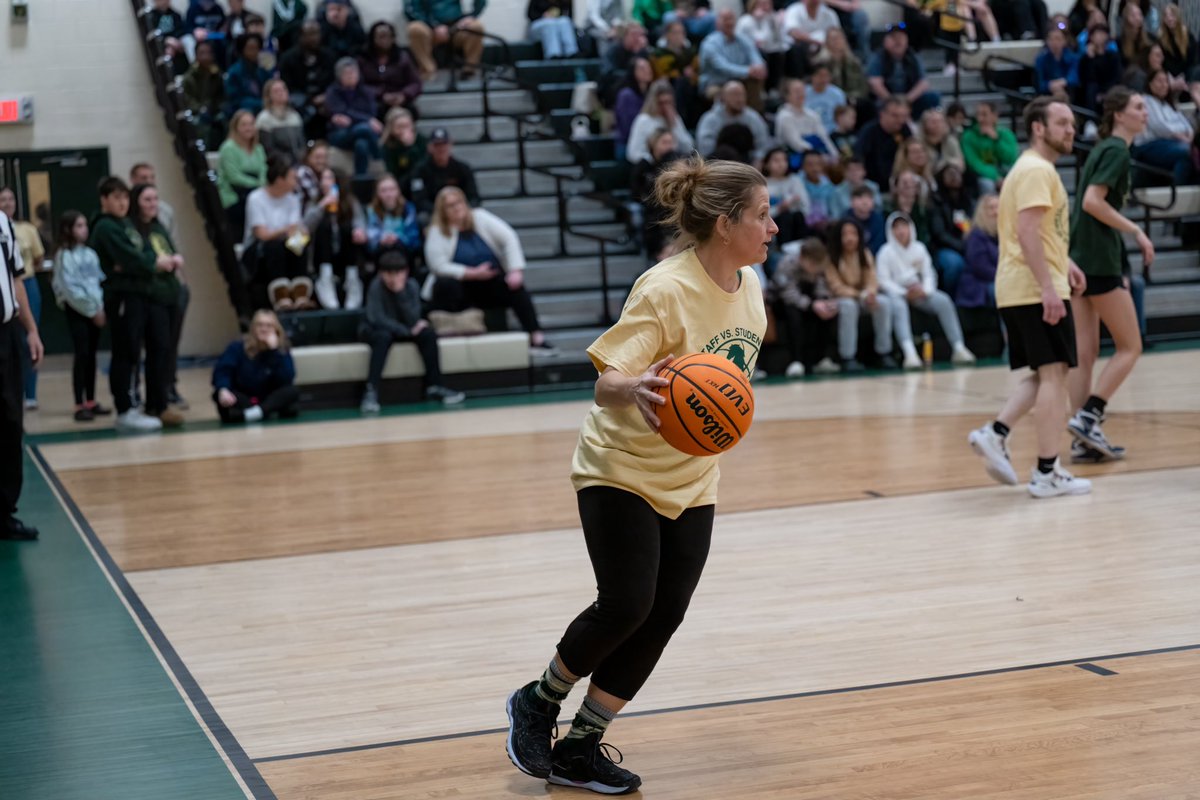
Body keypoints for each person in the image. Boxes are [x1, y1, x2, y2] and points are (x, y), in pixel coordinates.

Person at [504, 157, 772, 794]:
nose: (773, 226)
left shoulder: (752, 287)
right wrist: (641, 386)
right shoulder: (663, 287)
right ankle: (538, 701)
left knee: (664, 613)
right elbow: (605, 381)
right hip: (619, 468)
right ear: (725, 222)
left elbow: (732, 375)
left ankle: (580, 748)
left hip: (693, 477)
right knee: (627, 603)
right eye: (762, 214)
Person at [967, 98, 1092, 498]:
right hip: (1033, 287)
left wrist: (1064, 262)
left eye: (1072, 123)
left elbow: (1039, 231)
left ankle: (996, 432)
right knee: (1056, 374)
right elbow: (1026, 232)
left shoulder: (1028, 168)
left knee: (1044, 373)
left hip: (1020, 286)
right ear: (1038, 128)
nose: (1070, 129)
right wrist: (1048, 287)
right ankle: (1046, 471)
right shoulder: (1038, 170)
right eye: (1061, 122)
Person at [1066, 87, 1155, 464]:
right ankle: (1090, 414)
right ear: (1119, 114)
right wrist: (1135, 231)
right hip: (1099, 260)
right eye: (1138, 107)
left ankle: (1081, 437)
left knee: (1084, 354)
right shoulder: (1117, 150)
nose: (1145, 113)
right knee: (1130, 346)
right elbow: (1091, 202)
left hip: (1078, 256)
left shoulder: (1103, 147)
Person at [88, 178, 175, 433]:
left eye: (125, 197)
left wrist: (142, 262)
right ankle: (125, 408)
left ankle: (141, 404)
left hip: (138, 294)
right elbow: (132, 258)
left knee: (138, 350)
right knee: (126, 351)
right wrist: (146, 263)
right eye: (116, 198)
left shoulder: (125, 224)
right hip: (121, 296)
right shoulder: (105, 227)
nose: (122, 203)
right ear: (104, 200)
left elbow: (144, 252)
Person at [424, 187, 554, 351]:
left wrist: (515, 270)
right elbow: (438, 266)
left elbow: (509, 237)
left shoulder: (480, 217)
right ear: (442, 211)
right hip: (462, 287)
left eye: (458, 202)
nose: (456, 207)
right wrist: (472, 273)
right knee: (445, 284)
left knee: (516, 288)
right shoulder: (438, 231)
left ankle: (536, 336)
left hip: (489, 282)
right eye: (450, 205)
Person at [359, 251, 466, 414]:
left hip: (404, 329)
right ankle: (371, 391)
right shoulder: (375, 287)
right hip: (378, 330)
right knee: (383, 337)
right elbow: (377, 319)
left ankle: (434, 386)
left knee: (428, 334)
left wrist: (400, 293)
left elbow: (414, 317)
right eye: (388, 273)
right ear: (381, 273)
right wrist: (407, 331)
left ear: (406, 272)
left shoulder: (412, 286)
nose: (393, 278)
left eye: (398, 273)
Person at [876, 212, 976, 367]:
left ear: (911, 228)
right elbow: (883, 281)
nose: (901, 231)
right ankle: (910, 353)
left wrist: (926, 290)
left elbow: (929, 273)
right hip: (897, 295)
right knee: (899, 306)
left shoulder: (920, 248)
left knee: (943, 301)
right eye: (896, 227)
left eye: (904, 226)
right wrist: (904, 292)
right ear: (890, 230)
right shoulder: (885, 252)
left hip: (920, 292)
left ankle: (958, 347)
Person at [0, 188, 43, 539]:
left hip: (6, 333)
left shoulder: (2, 223)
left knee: (10, 421)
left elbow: (17, 280)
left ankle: (3, 512)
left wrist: (31, 330)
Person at [129, 183, 186, 428]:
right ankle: (156, 403)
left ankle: (161, 399)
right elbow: (144, 259)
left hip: (171, 293)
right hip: (152, 297)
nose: (153, 204)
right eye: (147, 200)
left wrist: (175, 259)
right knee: (157, 349)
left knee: (166, 350)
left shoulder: (158, 226)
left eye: (155, 199)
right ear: (137, 202)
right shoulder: (133, 229)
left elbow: (170, 250)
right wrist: (158, 263)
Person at [51, 211, 110, 422]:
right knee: (82, 354)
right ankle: (79, 403)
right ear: (68, 229)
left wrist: (99, 308)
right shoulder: (64, 256)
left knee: (92, 355)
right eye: (79, 225)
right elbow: (70, 289)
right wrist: (91, 310)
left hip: (95, 310)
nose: (84, 229)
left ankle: (91, 400)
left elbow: (97, 283)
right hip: (77, 310)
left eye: (85, 225)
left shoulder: (90, 254)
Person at [244, 155, 313, 311]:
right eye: (293, 178)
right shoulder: (256, 198)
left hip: (285, 244)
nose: (296, 182)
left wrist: (300, 232)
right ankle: (280, 295)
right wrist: (286, 230)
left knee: (300, 242)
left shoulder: (292, 199)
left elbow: (295, 228)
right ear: (280, 180)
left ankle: (300, 293)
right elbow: (262, 234)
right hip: (259, 249)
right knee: (274, 246)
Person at [827, 218, 896, 371]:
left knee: (883, 303)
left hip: (862, 297)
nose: (850, 238)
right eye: (845, 234)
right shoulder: (831, 257)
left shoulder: (864, 253)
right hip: (840, 300)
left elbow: (872, 279)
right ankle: (848, 357)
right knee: (849, 306)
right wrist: (860, 295)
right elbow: (836, 287)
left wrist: (870, 293)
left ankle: (883, 353)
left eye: (853, 233)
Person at [212, 309, 300, 423]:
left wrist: (273, 352)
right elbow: (223, 371)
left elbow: (287, 379)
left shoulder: (281, 351)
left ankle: (255, 413)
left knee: (292, 392)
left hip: (269, 398)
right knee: (219, 394)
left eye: (269, 325)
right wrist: (223, 389)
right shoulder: (236, 347)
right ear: (253, 328)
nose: (264, 329)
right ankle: (261, 413)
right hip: (244, 396)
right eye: (260, 325)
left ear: (276, 330)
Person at [0, 189, 44, 412]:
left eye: (11, 199)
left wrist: (32, 330)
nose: (8, 203)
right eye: (3, 199)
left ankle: (31, 394)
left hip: (23, 288)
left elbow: (35, 261)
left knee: (27, 342)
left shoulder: (18, 227)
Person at [772, 237, 839, 377]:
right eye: (813, 264)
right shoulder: (787, 263)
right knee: (793, 314)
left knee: (828, 313)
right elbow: (788, 293)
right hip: (783, 302)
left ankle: (822, 359)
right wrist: (812, 305)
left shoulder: (820, 265)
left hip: (808, 301)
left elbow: (821, 286)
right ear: (802, 257)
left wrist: (825, 302)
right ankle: (796, 361)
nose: (815, 269)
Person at [311, 168, 367, 310]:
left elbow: (360, 222)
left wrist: (359, 231)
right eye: (323, 179)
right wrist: (322, 206)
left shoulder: (350, 202)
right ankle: (325, 279)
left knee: (348, 228)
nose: (325, 183)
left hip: (345, 253)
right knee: (324, 227)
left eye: (329, 178)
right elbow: (305, 227)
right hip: (321, 256)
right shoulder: (315, 201)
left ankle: (352, 280)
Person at [1133, 69, 1197, 185]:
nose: (1163, 85)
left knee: (1194, 153)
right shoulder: (1146, 101)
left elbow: (1186, 126)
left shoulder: (1168, 104)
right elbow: (1160, 127)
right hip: (1150, 145)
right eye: (1159, 81)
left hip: (1173, 143)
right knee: (1186, 152)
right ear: (1150, 83)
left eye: (1166, 81)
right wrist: (1180, 136)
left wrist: (1189, 136)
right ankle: (1177, 192)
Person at [698, 9, 768, 111]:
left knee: (755, 80)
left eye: (731, 19)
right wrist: (748, 71)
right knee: (728, 92)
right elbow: (723, 67)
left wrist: (759, 67)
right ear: (717, 23)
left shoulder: (743, 39)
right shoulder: (709, 44)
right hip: (716, 83)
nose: (729, 22)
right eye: (725, 19)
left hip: (741, 79)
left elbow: (754, 55)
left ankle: (757, 117)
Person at [866, 24, 941, 120]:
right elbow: (875, 83)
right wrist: (892, 102)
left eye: (901, 37)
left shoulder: (912, 57)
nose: (898, 41)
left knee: (933, 97)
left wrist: (907, 100)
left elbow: (923, 82)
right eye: (894, 38)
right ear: (885, 41)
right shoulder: (878, 57)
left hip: (909, 98)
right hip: (886, 99)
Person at [630, 130, 684, 261]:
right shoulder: (644, 168)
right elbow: (636, 193)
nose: (669, 147)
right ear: (653, 145)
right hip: (656, 223)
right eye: (664, 142)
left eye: (671, 142)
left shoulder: (679, 165)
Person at [325, 58, 384, 178]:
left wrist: (356, 119)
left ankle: (360, 179)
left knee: (361, 145)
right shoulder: (332, 92)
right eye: (347, 73)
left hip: (361, 133)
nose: (350, 76)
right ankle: (379, 157)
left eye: (353, 72)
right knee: (364, 129)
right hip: (340, 134)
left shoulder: (366, 92)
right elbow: (341, 112)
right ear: (339, 76)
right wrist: (366, 120)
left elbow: (371, 112)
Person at [279, 20, 336, 138]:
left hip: (323, 98)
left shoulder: (329, 56)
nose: (314, 38)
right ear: (301, 36)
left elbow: (334, 82)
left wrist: (325, 96)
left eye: (316, 33)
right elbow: (287, 85)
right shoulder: (288, 58)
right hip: (299, 97)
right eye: (310, 34)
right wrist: (310, 100)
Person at [217, 110, 268, 241]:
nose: (248, 128)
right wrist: (258, 185)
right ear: (236, 128)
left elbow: (264, 170)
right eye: (244, 125)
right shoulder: (228, 148)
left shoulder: (259, 148)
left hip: (256, 192)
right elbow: (234, 177)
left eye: (251, 124)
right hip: (234, 195)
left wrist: (261, 185)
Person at [404, 0, 487, 80]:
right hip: (428, 28)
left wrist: (471, 16)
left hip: (456, 26)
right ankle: (428, 70)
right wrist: (434, 25)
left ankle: (470, 68)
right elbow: (410, 10)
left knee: (476, 27)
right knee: (415, 28)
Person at [928, 163, 977, 296]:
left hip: (967, 245)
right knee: (955, 264)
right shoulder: (936, 201)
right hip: (943, 248)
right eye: (949, 174)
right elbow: (939, 234)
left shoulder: (968, 201)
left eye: (956, 173)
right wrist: (961, 246)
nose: (954, 177)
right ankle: (951, 297)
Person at [357, 21, 424, 120]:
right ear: (373, 38)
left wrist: (403, 95)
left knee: (410, 112)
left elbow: (415, 83)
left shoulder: (403, 58)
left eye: (388, 36)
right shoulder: (363, 59)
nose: (385, 40)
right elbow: (359, 85)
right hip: (374, 101)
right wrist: (381, 95)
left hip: (399, 99)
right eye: (381, 37)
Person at [695, 80, 772, 163]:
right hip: (719, 164)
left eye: (742, 95)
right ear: (723, 97)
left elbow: (762, 144)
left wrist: (758, 161)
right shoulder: (710, 119)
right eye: (735, 95)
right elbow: (705, 148)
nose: (740, 99)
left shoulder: (753, 117)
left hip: (748, 164)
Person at [410, 127, 482, 213]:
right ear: (430, 147)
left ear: (450, 144)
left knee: (478, 213)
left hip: (460, 213)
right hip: (433, 214)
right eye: (437, 145)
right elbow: (419, 200)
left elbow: (474, 197)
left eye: (444, 144)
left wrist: (462, 210)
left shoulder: (463, 169)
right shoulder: (419, 171)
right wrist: (443, 213)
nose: (441, 149)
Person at [625, 80, 696, 164]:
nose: (665, 107)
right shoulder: (643, 120)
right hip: (652, 167)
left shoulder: (675, 118)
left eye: (668, 102)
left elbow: (689, 148)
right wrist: (655, 159)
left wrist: (673, 125)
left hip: (674, 165)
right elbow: (633, 153)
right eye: (661, 103)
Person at [961, 100, 1018, 194]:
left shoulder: (1006, 134)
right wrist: (996, 177)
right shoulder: (968, 137)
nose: (980, 119)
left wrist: (996, 140)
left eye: (984, 115)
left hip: (1005, 171)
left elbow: (1011, 158)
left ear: (995, 116)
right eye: (978, 115)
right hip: (983, 175)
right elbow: (974, 163)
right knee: (987, 184)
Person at [854, 96, 911, 188]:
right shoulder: (869, 132)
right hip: (873, 184)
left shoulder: (905, 130)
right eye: (895, 115)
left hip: (899, 185)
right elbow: (858, 157)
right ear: (882, 114)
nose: (900, 120)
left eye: (903, 116)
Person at [774, 79, 837, 159]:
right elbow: (796, 144)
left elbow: (824, 137)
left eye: (802, 90)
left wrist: (834, 155)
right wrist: (820, 156)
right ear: (787, 95)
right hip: (794, 157)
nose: (801, 94)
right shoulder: (784, 116)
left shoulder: (812, 115)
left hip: (817, 154)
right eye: (797, 91)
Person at [956, 192, 999, 309]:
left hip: (999, 278)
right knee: (1003, 293)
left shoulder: (1005, 234)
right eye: (991, 208)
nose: (996, 212)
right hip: (979, 284)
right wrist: (1004, 277)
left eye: (999, 207)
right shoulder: (976, 235)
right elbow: (980, 268)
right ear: (982, 212)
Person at [762, 147, 811, 244]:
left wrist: (793, 203)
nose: (781, 164)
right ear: (766, 164)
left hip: (795, 221)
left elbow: (806, 206)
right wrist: (779, 209)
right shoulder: (762, 184)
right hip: (773, 223)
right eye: (776, 160)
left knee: (798, 215)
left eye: (784, 160)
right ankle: (784, 249)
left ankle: (801, 247)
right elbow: (761, 214)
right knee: (785, 216)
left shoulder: (795, 180)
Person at [182, 40, 226, 146]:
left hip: (214, 110)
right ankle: (203, 153)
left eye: (208, 53)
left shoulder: (217, 74)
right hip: (196, 112)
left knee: (225, 118)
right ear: (196, 56)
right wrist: (200, 108)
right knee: (199, 123)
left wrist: (216, 107)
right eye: (202, 53)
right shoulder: (189, 77)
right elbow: (187, 99)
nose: (205, 56)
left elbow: (221, 96)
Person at [256, 79, 307, 162]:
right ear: (269, 96)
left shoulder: (295, 115)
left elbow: (302, 143)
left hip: (297, 161)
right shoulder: (264, 118)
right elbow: (268, 150)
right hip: (278, 164)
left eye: (283, 89)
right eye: (276, 91)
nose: (281, 93)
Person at [615, 58, 656, 159]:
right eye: (642, 68)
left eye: (648, 67)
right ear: (633, 72)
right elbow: (628, 127)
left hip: (649, 143)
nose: (648, 70)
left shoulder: (652, 93)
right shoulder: (626, 95)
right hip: (627, 144)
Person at [225, 33, 273, 115]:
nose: (255, 52)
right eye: (250, 48)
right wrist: (261, 103)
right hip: (243, 111)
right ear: (242, 50)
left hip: (266, 108)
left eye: (257, 48)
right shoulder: (234, 72)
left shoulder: (264, 69)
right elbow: (235, 99)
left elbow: (270, 89)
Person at [1035, 23, 1080, 102]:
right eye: (1051, 39)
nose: (1054, 42)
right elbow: (1039, 82)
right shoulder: (1041, 59)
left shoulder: (1073, 58)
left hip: (1068, 92)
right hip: (1047, 95)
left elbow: (1074, 78)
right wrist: (1050, 85)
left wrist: (1062, 82)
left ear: (1065, 41)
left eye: (1058, 39)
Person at [916, 108, 965, 175]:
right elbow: (922, 168)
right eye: (933, 122)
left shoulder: (951, 141)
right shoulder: (918, 143)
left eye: (940, 121)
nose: (937, 125)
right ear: (925, 124)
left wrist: (946, 162)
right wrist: (947, 162)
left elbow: (961, 165)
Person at [844, 184, 886, 254]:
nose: (865, 202)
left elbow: (879, 244)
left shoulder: (879, 220)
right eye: (860, 197)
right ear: (851, 201)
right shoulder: (845, 219)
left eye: (869, 198)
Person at [805, 65, 847, 133]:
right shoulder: (803, 93)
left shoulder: (838, 94)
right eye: (820, 75)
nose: (823, 79)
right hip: (809, 132)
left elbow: (842, 117)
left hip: (832, 132)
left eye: (827, 76)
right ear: (812, 76)